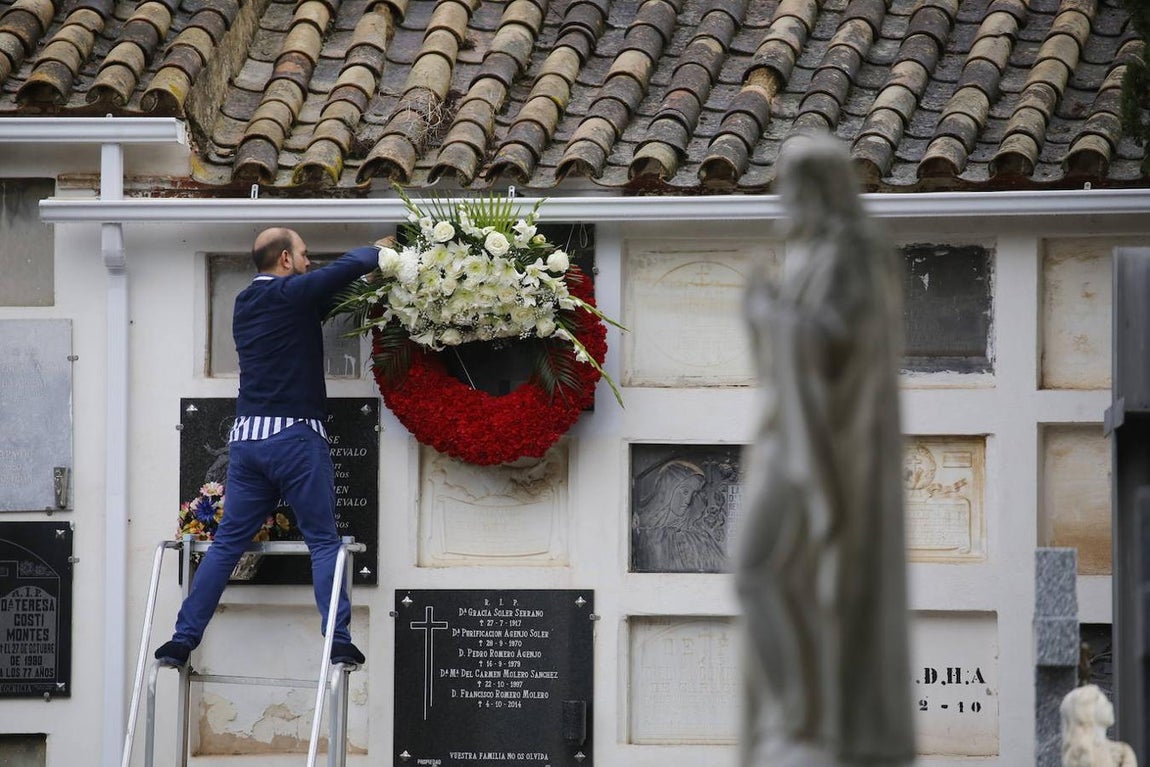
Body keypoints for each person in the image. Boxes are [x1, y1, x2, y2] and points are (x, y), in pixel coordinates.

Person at [736, 134, 915, 766]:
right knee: (762, 575)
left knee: (763, 570)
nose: (783, 200)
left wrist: (771, 318)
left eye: (791, 187)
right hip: (788, 437)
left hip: (823, 448)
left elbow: (840, 348)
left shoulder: (851, 255)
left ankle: (807, 716)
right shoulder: (809, 255)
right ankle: (798, 712)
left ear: (816, 191)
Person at [155, 228, 384, 668]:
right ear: (284, 260)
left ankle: (182, 640)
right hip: (295, 438)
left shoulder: (245, 303)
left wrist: (361, 289)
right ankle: (337, 641)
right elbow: (349, 265)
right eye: (303, 253)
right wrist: (381, 252)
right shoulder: (291, 293)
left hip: (246, 443)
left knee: (225, 546)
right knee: (323, 543)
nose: (308, 260)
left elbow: (318, 304)